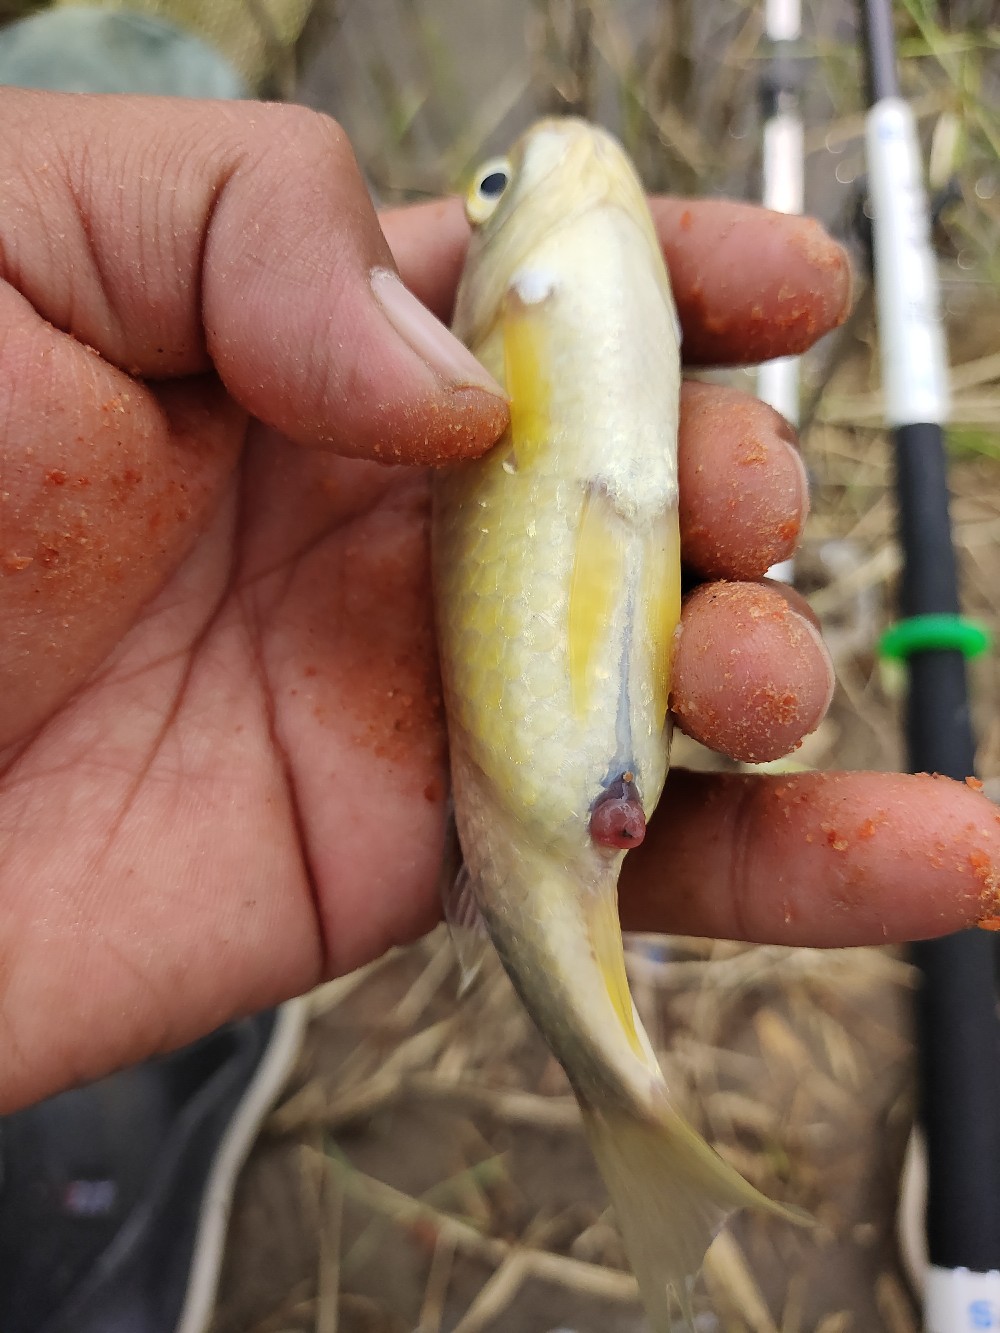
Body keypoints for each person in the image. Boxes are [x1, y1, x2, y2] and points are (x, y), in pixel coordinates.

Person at [0, 88, 997, 1128]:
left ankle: (631, 1106)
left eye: (493, 191)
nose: (533, 168)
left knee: (743, 598)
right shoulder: (503, 303)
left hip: (547, 768)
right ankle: (632, 1112)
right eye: (493, 189)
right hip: (550, 777)